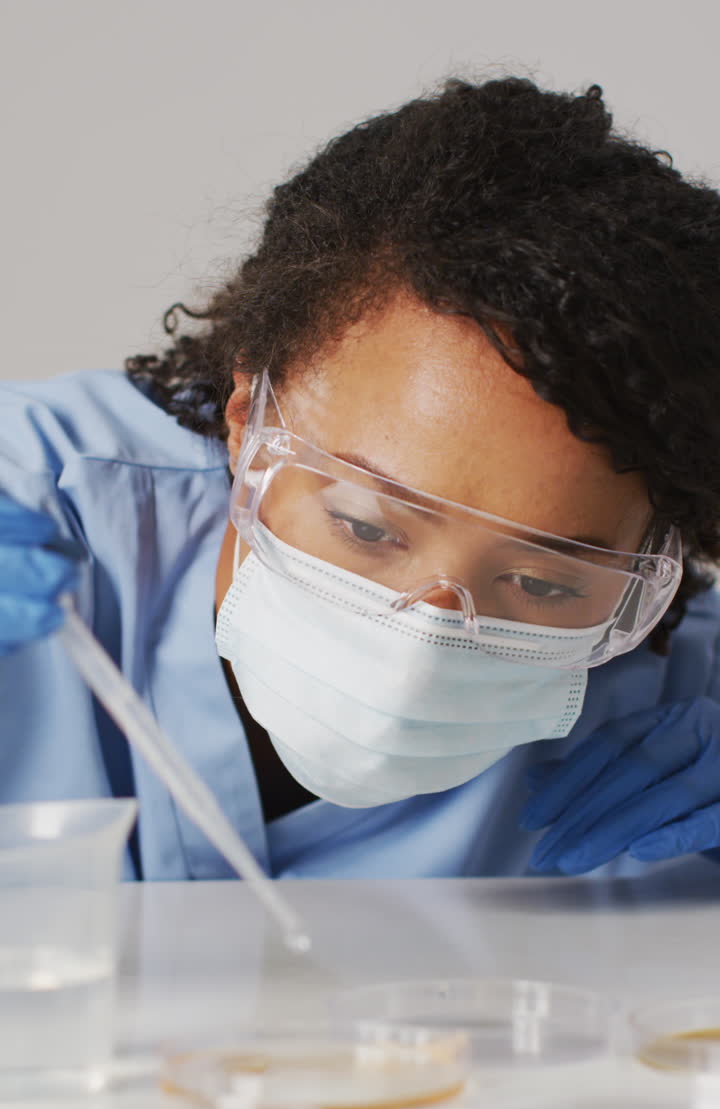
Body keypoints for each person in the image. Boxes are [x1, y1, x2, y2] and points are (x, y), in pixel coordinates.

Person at [3, 76, 720, 883]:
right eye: (368, 528)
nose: (423, 641)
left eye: (540, 582)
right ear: (247, 416)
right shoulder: (32, 499)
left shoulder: (683, 715)